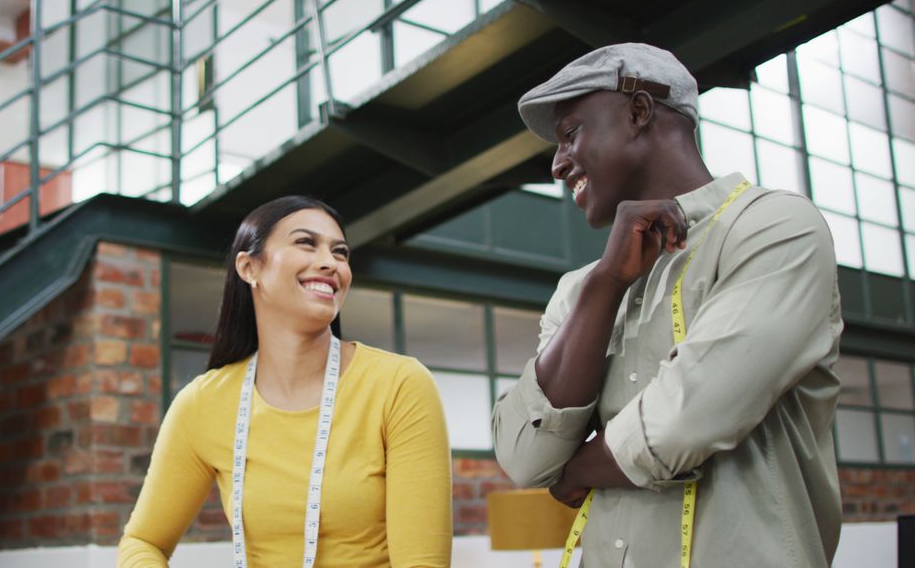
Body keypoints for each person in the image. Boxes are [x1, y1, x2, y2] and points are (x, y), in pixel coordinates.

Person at [492, 43, 843, 567]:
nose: (558, 164)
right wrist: (607, 284)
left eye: (570, 135)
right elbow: (525, 459)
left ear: (638, 112)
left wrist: (579, 470)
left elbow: (690, 416)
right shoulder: (582, 288)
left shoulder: (774, 228)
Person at [118, 196, 452, 567]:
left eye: (340, 252)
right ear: (249, 268)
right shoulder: (203, 403)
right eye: (306, 243)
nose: (330, 262)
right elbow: (142, 541)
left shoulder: (399, 385)